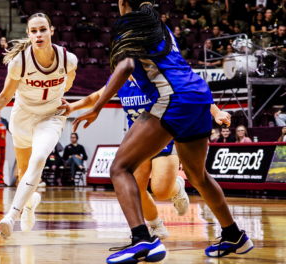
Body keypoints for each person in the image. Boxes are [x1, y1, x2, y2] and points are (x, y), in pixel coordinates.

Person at [72, 0, 253, 262]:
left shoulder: (129, 23)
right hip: (199, 95)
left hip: (173, 99)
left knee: (120, 169)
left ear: (122, 3)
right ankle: (234, 236)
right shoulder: (157, 23)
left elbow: (125, 67)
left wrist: (98, 108)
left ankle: (143, 239)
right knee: (198, 175)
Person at [60, 76, 198, 240]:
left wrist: (216, 112)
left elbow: (188, 91)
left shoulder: (154, 73)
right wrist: (73, 106)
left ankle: (176, 186)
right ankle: (156, 226)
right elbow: (97, 96)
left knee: (161, 191)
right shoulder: (120, 77)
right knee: (136, 189)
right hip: (139, 139)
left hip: (164, 136)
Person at [0, 13, 78, 239]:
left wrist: (61, 95)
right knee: (24, 172)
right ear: (28, 34)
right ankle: (30, 204)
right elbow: (4, 96)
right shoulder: (19, 62)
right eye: (33, 31)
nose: (38, 34)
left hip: (51, 116)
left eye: (43, 29)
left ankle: (11, 216)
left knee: (39, 157)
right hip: (22, 117)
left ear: (51, 31)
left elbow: (70, 78)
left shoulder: (68, 59)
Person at [0, 113, 9, 186]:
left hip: (3, 144)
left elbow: (11, 130)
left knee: (1, 163)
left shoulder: (4, 121)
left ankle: (0, 180)